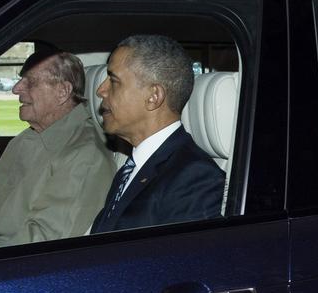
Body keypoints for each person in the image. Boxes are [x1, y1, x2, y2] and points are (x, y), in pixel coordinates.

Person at [0, 45, 119, 248]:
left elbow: (41, 246)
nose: (16, 88)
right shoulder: (24, 140)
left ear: (62, 92)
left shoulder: (84, 156)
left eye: (31, 82)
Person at [90, 34, 225, 234]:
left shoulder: (195, 178)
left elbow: (181, 262)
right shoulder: (132, 166)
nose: (101, 90)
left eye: (113, 80)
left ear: (153, 97)